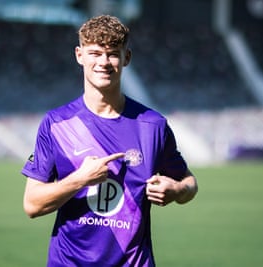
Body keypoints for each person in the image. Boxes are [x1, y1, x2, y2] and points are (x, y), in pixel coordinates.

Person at [21, 14, 198, 267]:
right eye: (94, 53)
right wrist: (80, 179)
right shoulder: (56, 124)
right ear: (79, 55)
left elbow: (189, 182)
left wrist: (177, 190)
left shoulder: (153, 125)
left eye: (113, 53)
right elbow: (32, 204)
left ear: (127, 58)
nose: (103, 62)